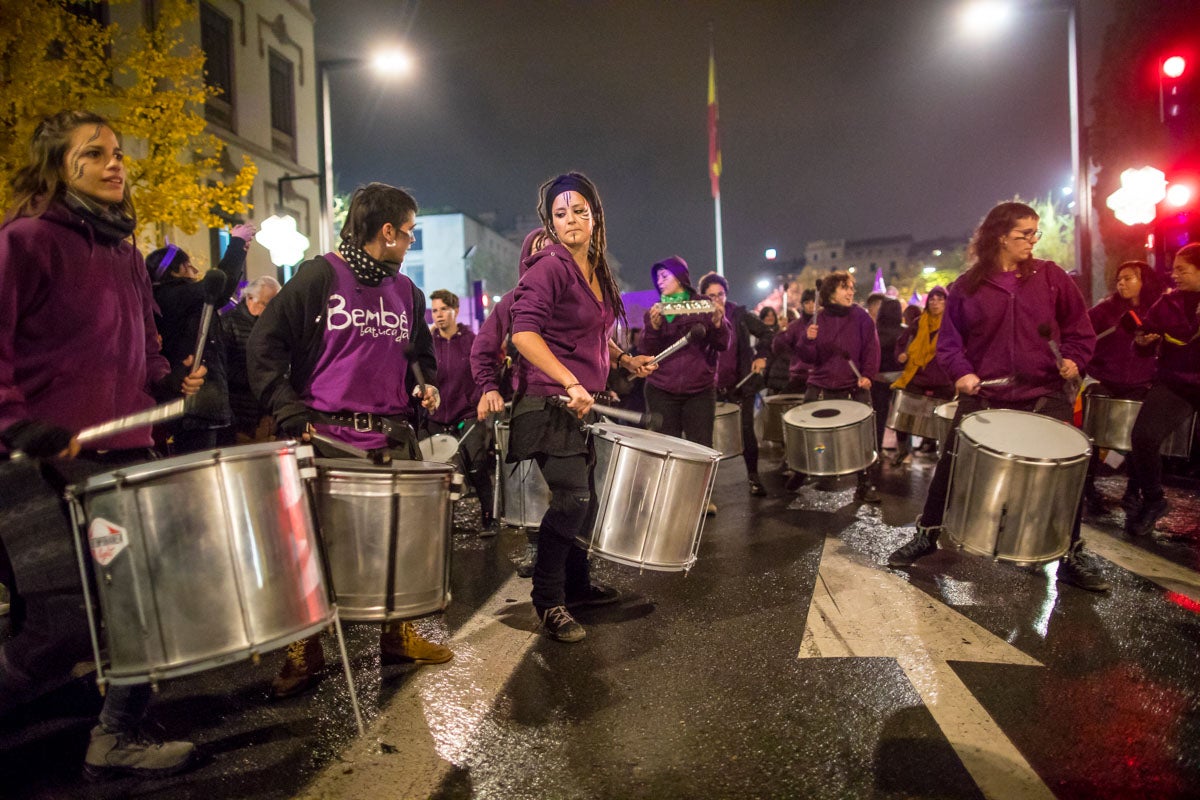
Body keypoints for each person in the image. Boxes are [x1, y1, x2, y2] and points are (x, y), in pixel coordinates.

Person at [0, 110, 204, 777]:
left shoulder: (124, 252)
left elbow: (141, 348)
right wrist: (17, 423)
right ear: (57, 167)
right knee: (59, 626)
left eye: (116, 152)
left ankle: (116, 734)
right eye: (94, 154)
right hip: (45, 461)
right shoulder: (25, 241)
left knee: (146, 597)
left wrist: (167, 380)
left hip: (125, 455)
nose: (114, 163)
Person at [247, 182, 453, 697]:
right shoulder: (319, 277)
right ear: (386, 232)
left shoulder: (407, 292)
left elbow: (419, 356)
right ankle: (305, 646)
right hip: (326, 435)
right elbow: (265, 344)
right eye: (407, 233)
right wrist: (286, 407)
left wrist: (424, 386)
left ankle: (397, 633)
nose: (409, 243)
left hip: (390, 436)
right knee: (312, 550)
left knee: (395, 544)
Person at [886, 201, 1107, 591]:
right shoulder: (966, 287)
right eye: (1024, 234)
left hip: (1045, 392)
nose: (1032, 241)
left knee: (1064, 475)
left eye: (1035, 233)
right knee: (951, 464)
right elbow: (950, 345)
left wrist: (1074, 359)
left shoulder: (1051, 276)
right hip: (987, 393)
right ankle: (928, 532)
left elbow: (1079, 329)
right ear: (1000, 236)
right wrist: (963, 373)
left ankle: (1071, 551)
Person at [508, 172, 653, 643]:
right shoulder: (547, 267)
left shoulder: (594, 266)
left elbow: (594, 334)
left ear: (595, 217)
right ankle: (548, 601)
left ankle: (578, 586)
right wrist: (569, 379)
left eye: (579, 211)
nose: (571, 219)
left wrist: (624, 358)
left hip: (577, 406)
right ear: (550, 222)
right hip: (546, 404)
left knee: (583, 504)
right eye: (560, 213)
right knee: (573, 500)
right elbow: (523, 334)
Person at [146, 223, 256, 454]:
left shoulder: (179, 297)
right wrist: (236, 243)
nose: (194, 272)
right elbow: (218, 286)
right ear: (175, 270)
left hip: (207, 403)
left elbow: (220, 289)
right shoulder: (171, 295)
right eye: (188, 266)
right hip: (192, 404)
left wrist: (239, 249)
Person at [639, 256, 731, 513]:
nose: (660, 281)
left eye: (665, 275)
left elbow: (723, 343)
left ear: (681, 277)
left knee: (700, 445)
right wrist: (653, 328)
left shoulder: (704, 305)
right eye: (657, 277)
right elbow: (646, 350)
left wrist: (718, 323)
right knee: (666, 446)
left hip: (699, 389)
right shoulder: (656, 309)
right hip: (661, 389)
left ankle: (701, 498)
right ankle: (668, 497)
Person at [1124, 243, 1200, 536]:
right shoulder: (1167, 303)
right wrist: (1142, 343)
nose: (1175, 275)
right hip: (1175, 383)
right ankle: (1154, 499)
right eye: (1174, 269)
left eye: (1182, 270)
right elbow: (1142, 341)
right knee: (1142, 437)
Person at [1080, 261, 1163, 513]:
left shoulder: (1158, 310)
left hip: (1141, 383)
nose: (1122, 283)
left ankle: (1134, 490)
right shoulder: (1105, 310)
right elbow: (1082, 335)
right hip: (1104, 380)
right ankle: (1087, 487)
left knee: (1137, 439)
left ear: (1144, 281)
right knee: (1093, 435)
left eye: (1129, 278)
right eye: (1119, 279)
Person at [796, 271, 882, 502]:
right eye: (845, 287)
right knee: (808, 432)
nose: (851, 292)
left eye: (852, 287)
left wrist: (867, 375)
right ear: (831, 293)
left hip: (853, 386)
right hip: (821, 385)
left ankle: (865, 482)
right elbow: (808, 357)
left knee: (863, 437)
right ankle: (800, 469)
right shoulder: (818, 319)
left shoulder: (861, 317)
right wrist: (807, 339)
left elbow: (871, 349)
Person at [426, 288, 495, 534]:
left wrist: (482, 398)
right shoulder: (428, 342)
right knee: (437, 471)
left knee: (476, 465)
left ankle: (489, 515)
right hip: (436, 416)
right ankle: (440, 522)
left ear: (455, 311)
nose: (439, 315)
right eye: (434, 310)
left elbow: (483, 371)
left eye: (444, 309)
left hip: (468, 413)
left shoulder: (471, 340)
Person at [698, 271, 773, 496]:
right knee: (705, 437)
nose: (716, 299)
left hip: (741, 385)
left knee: (747, 432)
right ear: (702, 297)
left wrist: (761, 356)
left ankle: (753, 477)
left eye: (720, 294)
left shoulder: (739, 314)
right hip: (710, 388)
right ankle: (704, 489)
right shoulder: (698, 316)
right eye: (710, 295)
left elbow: (767, 333)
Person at [890, 286, 953, 464]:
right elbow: (901, 344)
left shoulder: (952, 324)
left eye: (940, 299)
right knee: (903, 418)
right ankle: (903, 451)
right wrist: (900, 355)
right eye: (932, 299)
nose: (935, 303)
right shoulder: (918, 323)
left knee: (942, 423)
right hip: (916, 376)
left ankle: (942, 457)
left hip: (942, 380)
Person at [220, 275, 281, 444]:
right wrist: (257, 379)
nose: (270, 310)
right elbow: (223, 367)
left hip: (266, 412)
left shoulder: (273, 324)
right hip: (240, 412)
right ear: (249, 298)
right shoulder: (229, 322)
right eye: (266, 304)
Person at [870, 297, 905, 465]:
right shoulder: (904, 332)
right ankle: (904, 450)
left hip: (878, 378)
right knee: (900, 416)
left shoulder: (875, 331)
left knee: (879, 415)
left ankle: (876, 448)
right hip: (900, 378)